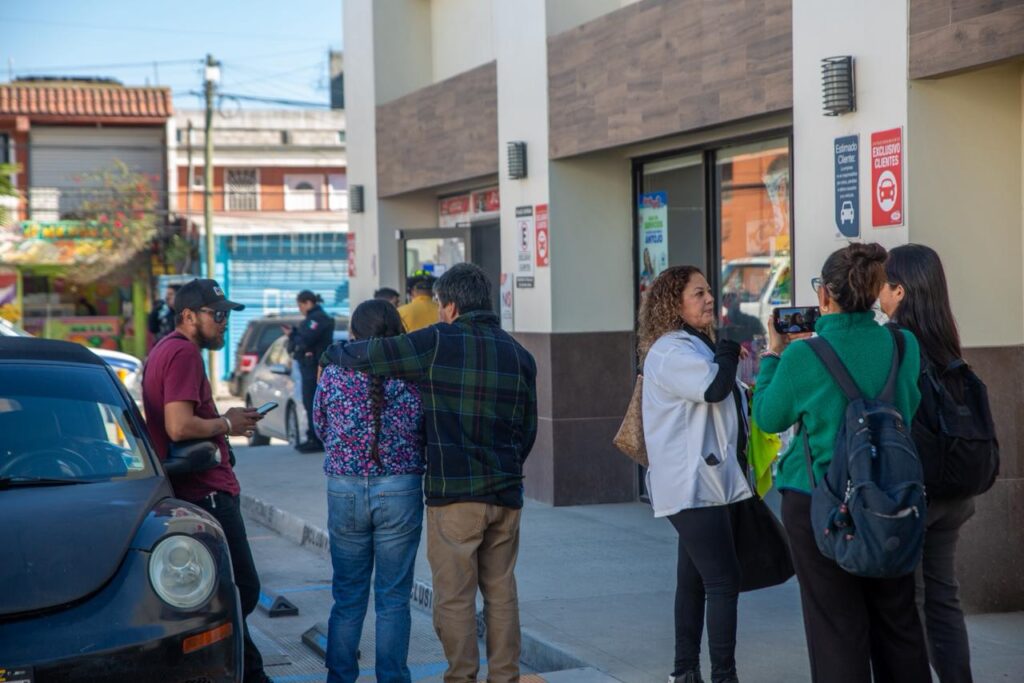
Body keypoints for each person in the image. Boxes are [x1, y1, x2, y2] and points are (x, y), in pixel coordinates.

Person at [321, 263, 537, 683]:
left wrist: (331, 354)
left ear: (452, 306)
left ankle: (461, 677)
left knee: (454, 599)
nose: (438, 313)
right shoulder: (520, 355)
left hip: (454, 496)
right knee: (501, 593)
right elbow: (527, 430)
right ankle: (505, 677)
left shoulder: (439, 341)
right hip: (506, 497)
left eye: (440, 305)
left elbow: (376, 353)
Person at [753, 243, 930, 683]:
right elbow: (911, 402)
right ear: (873, 292)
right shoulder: (903, 343)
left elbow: (768, 416)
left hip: (818, 502)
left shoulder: (803, 356)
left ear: (825, 297)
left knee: (835, 626)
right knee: (899, 620)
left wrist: (773, 354)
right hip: (893, 496)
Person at [141, 277, 273, 683]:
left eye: (226, 315)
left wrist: (225, 425)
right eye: (216, 315)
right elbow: (178, 426)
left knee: (229, 593)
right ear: (187, 316)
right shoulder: (183, 354)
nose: (223, 323)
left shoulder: (166, 350)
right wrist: (228, 423)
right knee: (241, 590)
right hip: (206, 493)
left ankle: (249, 672)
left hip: (200, 489)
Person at [638, 265, 750, 683]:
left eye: (708, 292)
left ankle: (684, 672)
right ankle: (724, 676)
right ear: (674, 302)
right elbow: (713, 389)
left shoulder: (694, 345)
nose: (708, 300)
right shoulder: (671, 351)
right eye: (698, 293)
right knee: (723, 579)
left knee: (696, 579)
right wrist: (727, 352)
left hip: (707, 484)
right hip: (688, 485)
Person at [313, 299, 425, 683]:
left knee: (347, 597)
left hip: (343, 489)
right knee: (393, 599)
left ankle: (340, 678)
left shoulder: (332, 374)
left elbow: (320, 427)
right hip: (400, 488)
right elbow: (423, 430)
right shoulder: (412, 374)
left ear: (355, 334)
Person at [880, 244, 976, 683]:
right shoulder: (945, 338)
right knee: (943, 597)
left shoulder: (897, 343)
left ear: (898, 291)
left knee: (910, 603)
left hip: (915, 493)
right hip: (955, 492)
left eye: (883, 283)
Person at [285, 290, 335, 453]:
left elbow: (305, 340)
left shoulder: (317, 319)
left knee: (314, 403)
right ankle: (313, 436)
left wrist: (293, 335)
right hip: (310, 367)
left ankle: (317, 438)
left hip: (314, 367)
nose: (299, 309)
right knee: (310, 403)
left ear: (308, 303)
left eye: (300, 305)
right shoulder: (312, 319)